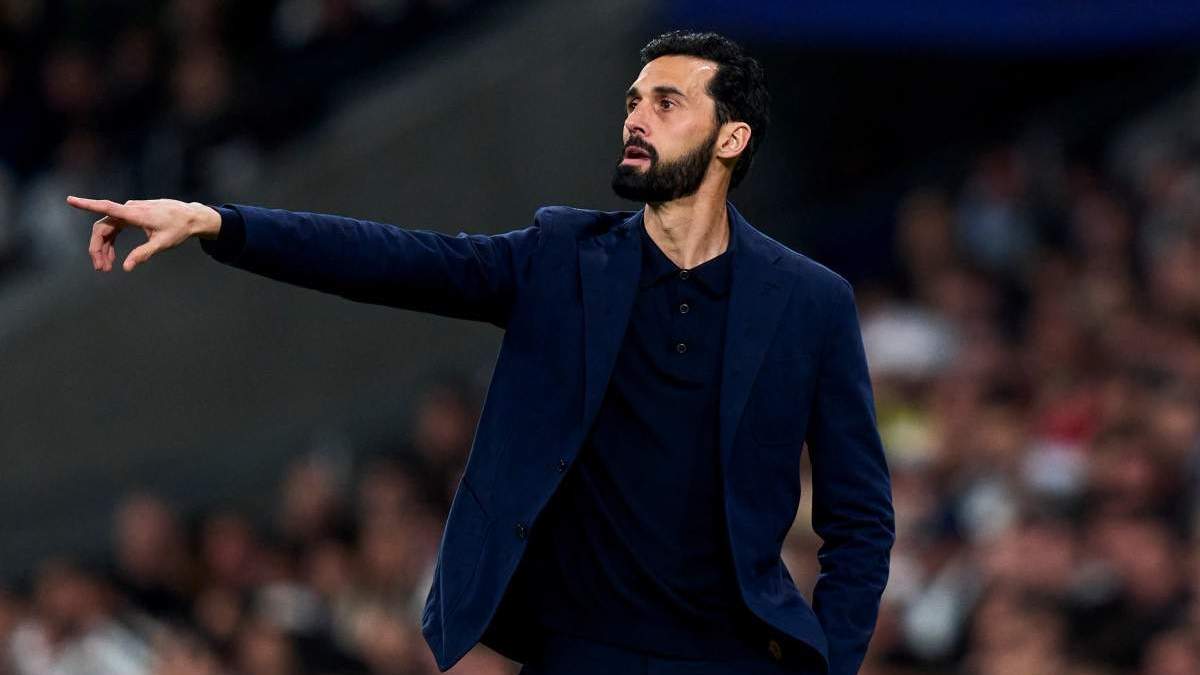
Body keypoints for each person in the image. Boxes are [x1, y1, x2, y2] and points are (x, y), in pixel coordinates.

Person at [67, 30, 894, 675]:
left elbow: (859, 517)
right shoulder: (560, 256)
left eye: (667, 103)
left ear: (730, 137)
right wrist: (221, 223)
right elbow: (392, 259)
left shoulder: (809, 301)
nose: (635, 116)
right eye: (634, 99)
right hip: (579, 654)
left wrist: (831, 658)